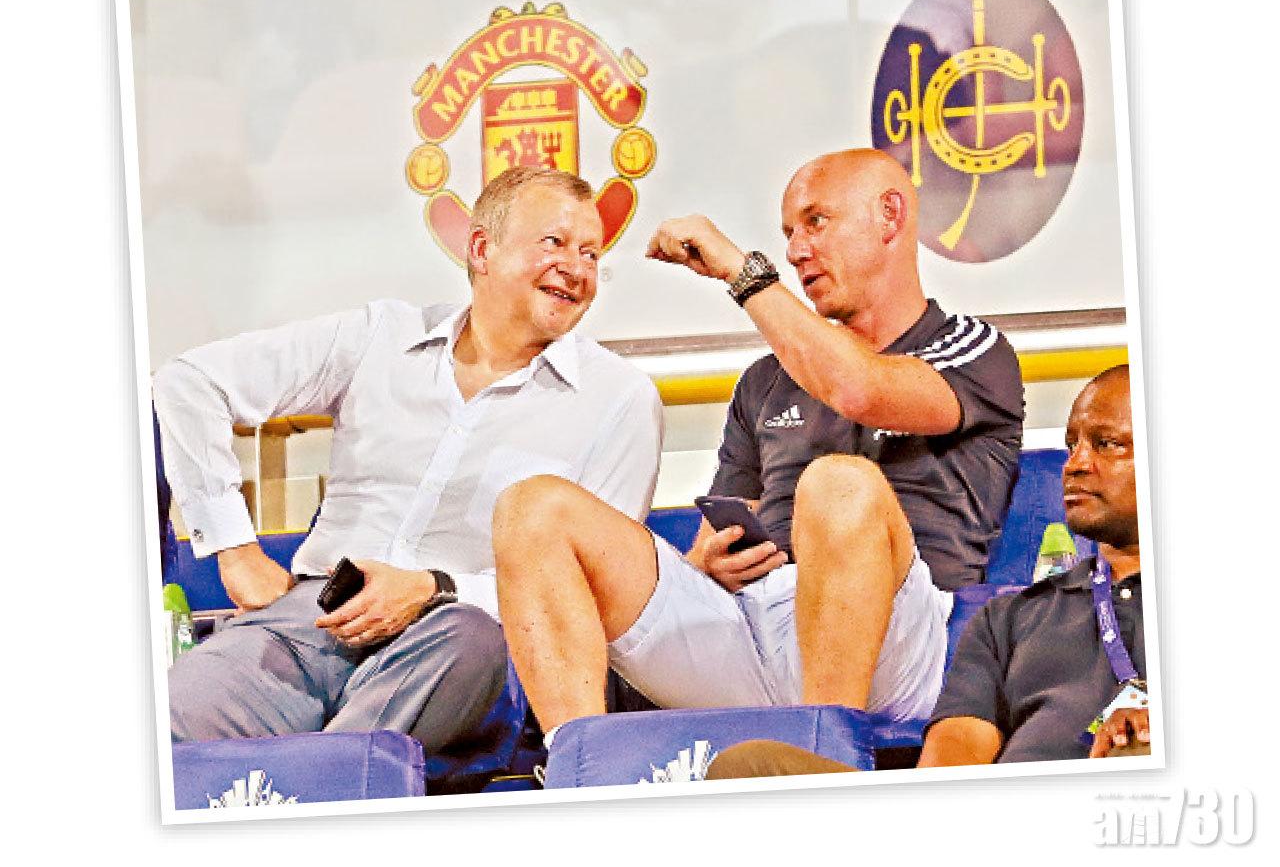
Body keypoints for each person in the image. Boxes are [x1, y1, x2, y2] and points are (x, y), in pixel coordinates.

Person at [493, 148, 1023, 741]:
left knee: (837, 483)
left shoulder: (972, 350)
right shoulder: (765, 381)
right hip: (753, 627)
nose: (796, 251)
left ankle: (823, 756)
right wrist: (707, 564)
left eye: (816, 222)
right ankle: (581, 764)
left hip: (895, 641)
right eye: (789, 234)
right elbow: (715, 539)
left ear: (890, 216)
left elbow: (859, 388)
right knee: (533, 507)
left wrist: (741, 274)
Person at [155, 166, 663, 753]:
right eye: (555, 242)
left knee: (466, 640)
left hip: (461, 643)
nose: (576, 268)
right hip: (310, 620)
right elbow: (188, 382)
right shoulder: (382, 335)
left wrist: (434, 588)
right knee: (166, 722)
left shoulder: (620, 399)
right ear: (482, 249)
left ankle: (324, 782)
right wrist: (234, 549)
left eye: (591, 253)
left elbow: (594, 594)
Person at [703, 364, 1147, 779]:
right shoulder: (1010, 617)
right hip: (994, 814)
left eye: (1107, 444)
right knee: (749, 766)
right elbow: (955, 747)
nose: (1076, 464)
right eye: (1072, 445)